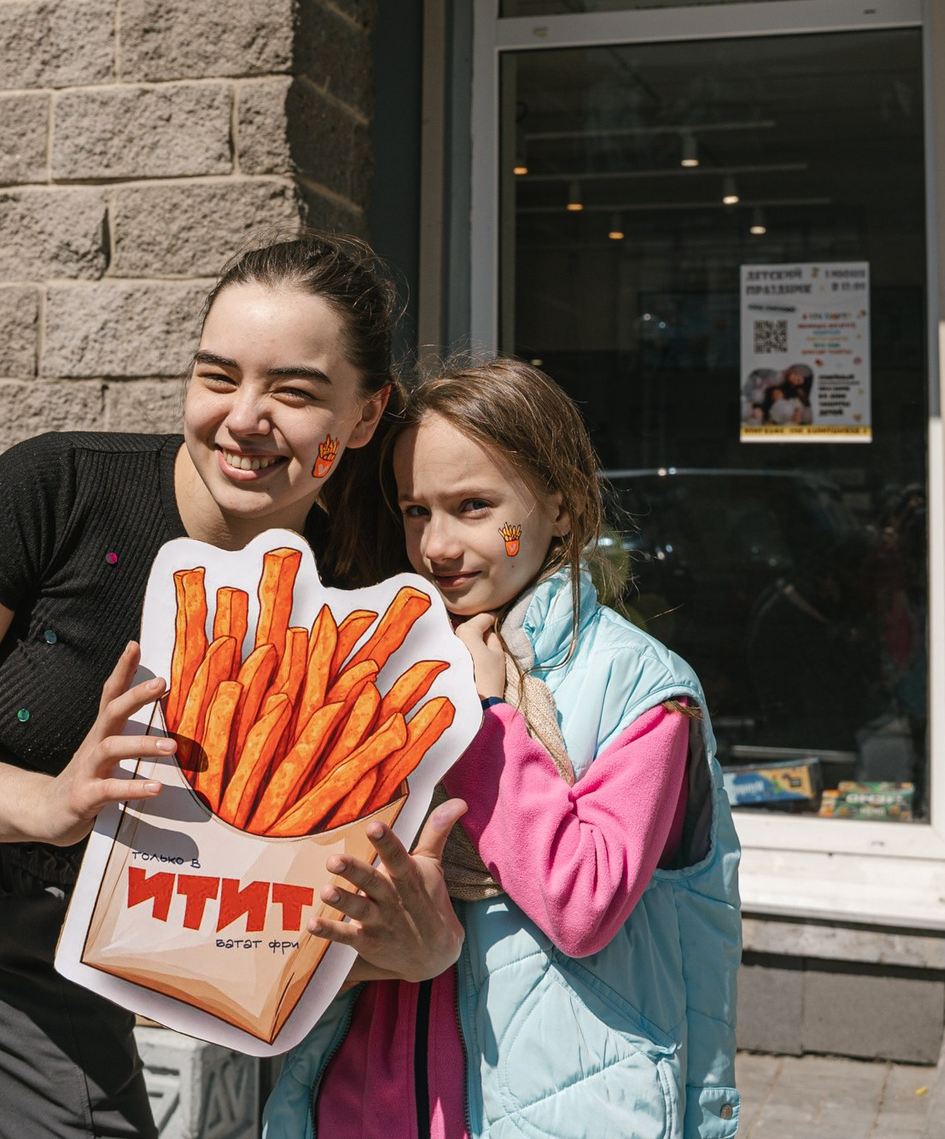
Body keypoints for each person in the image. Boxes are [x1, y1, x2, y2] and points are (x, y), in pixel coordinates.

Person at [0, 236, 470, 1139]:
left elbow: (275, 899)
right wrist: (53, 798)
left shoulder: (361, 605)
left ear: (369, 412)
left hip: (50, 940)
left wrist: (420, 949)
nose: (243, 417)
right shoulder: (59, 483)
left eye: (294, 392)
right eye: (217, 375)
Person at [264, 358, 744, 1139]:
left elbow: (584, 901)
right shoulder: (394, 661)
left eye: (474, 506)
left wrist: (486, 720)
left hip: (547, 1098)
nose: (438, 544)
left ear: (560, 504)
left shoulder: (641, 688)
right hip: (367, 1088)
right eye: (417, 510)